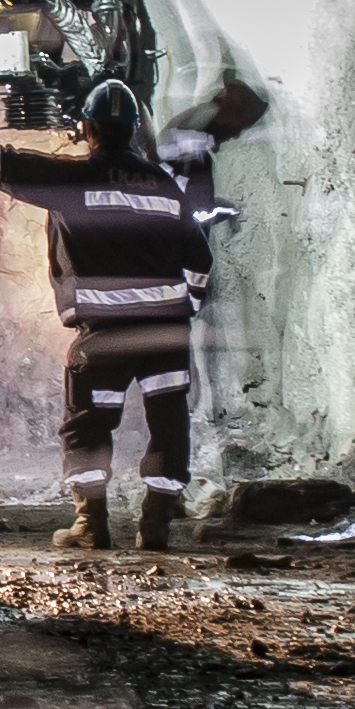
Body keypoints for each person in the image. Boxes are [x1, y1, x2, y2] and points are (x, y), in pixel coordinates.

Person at [33, 77, 218, 551]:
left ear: (87, 128)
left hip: (104, 334)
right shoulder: (164, 185)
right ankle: (155, 526)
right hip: (163, 333)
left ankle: (91, 524)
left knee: (88, 424)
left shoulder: (69, 180)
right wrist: (187, 305)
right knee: (169, 423)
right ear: (135, 129)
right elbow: (200, 259)